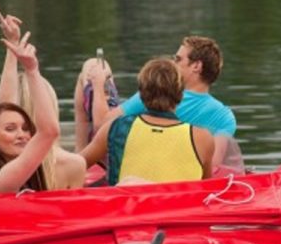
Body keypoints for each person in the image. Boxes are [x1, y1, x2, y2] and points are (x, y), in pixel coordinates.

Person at [76, 35, 236, 171]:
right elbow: (214, 166)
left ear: (196, 66)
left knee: (91, 66)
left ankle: (80, 154)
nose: (173, 64)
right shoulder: (225, 116)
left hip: (127, 161)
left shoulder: (158, 93)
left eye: (178, 59)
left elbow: (101, 125)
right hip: (177, 174)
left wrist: (98, 84)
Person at [80, 58, 214, 185]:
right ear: (180, 95)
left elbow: (77, 165)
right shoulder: (203, 138)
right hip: (176, 208)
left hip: (128, 207)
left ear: (141, 95)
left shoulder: (116, 127)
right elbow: (207, 188)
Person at [0, 7, 86, 189]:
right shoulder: (74, 165)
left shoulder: (1, 166)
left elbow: (4, 109)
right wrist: (31, 70)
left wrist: (12, 44)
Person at [0, 32, 59, 194]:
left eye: (26, 128)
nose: (22, 135)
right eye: (10, 129)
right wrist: (32, 71)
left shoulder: (1, 171)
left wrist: (12, 46)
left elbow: (6, 106)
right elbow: (49, 132)